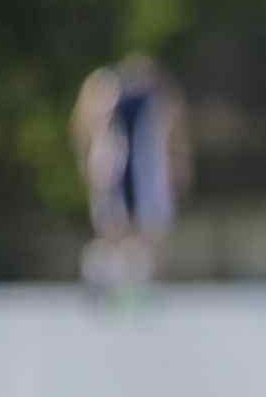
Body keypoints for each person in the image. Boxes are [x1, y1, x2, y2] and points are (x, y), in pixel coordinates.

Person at [71, 56, 192, 285]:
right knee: (119, 229)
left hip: (143, 170)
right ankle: (114, 277)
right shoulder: (101, 89)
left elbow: (175, 128)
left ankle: (134, 279)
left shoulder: (156, 97)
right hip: (117, 170)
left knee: (145, 231)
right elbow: (82, 127)